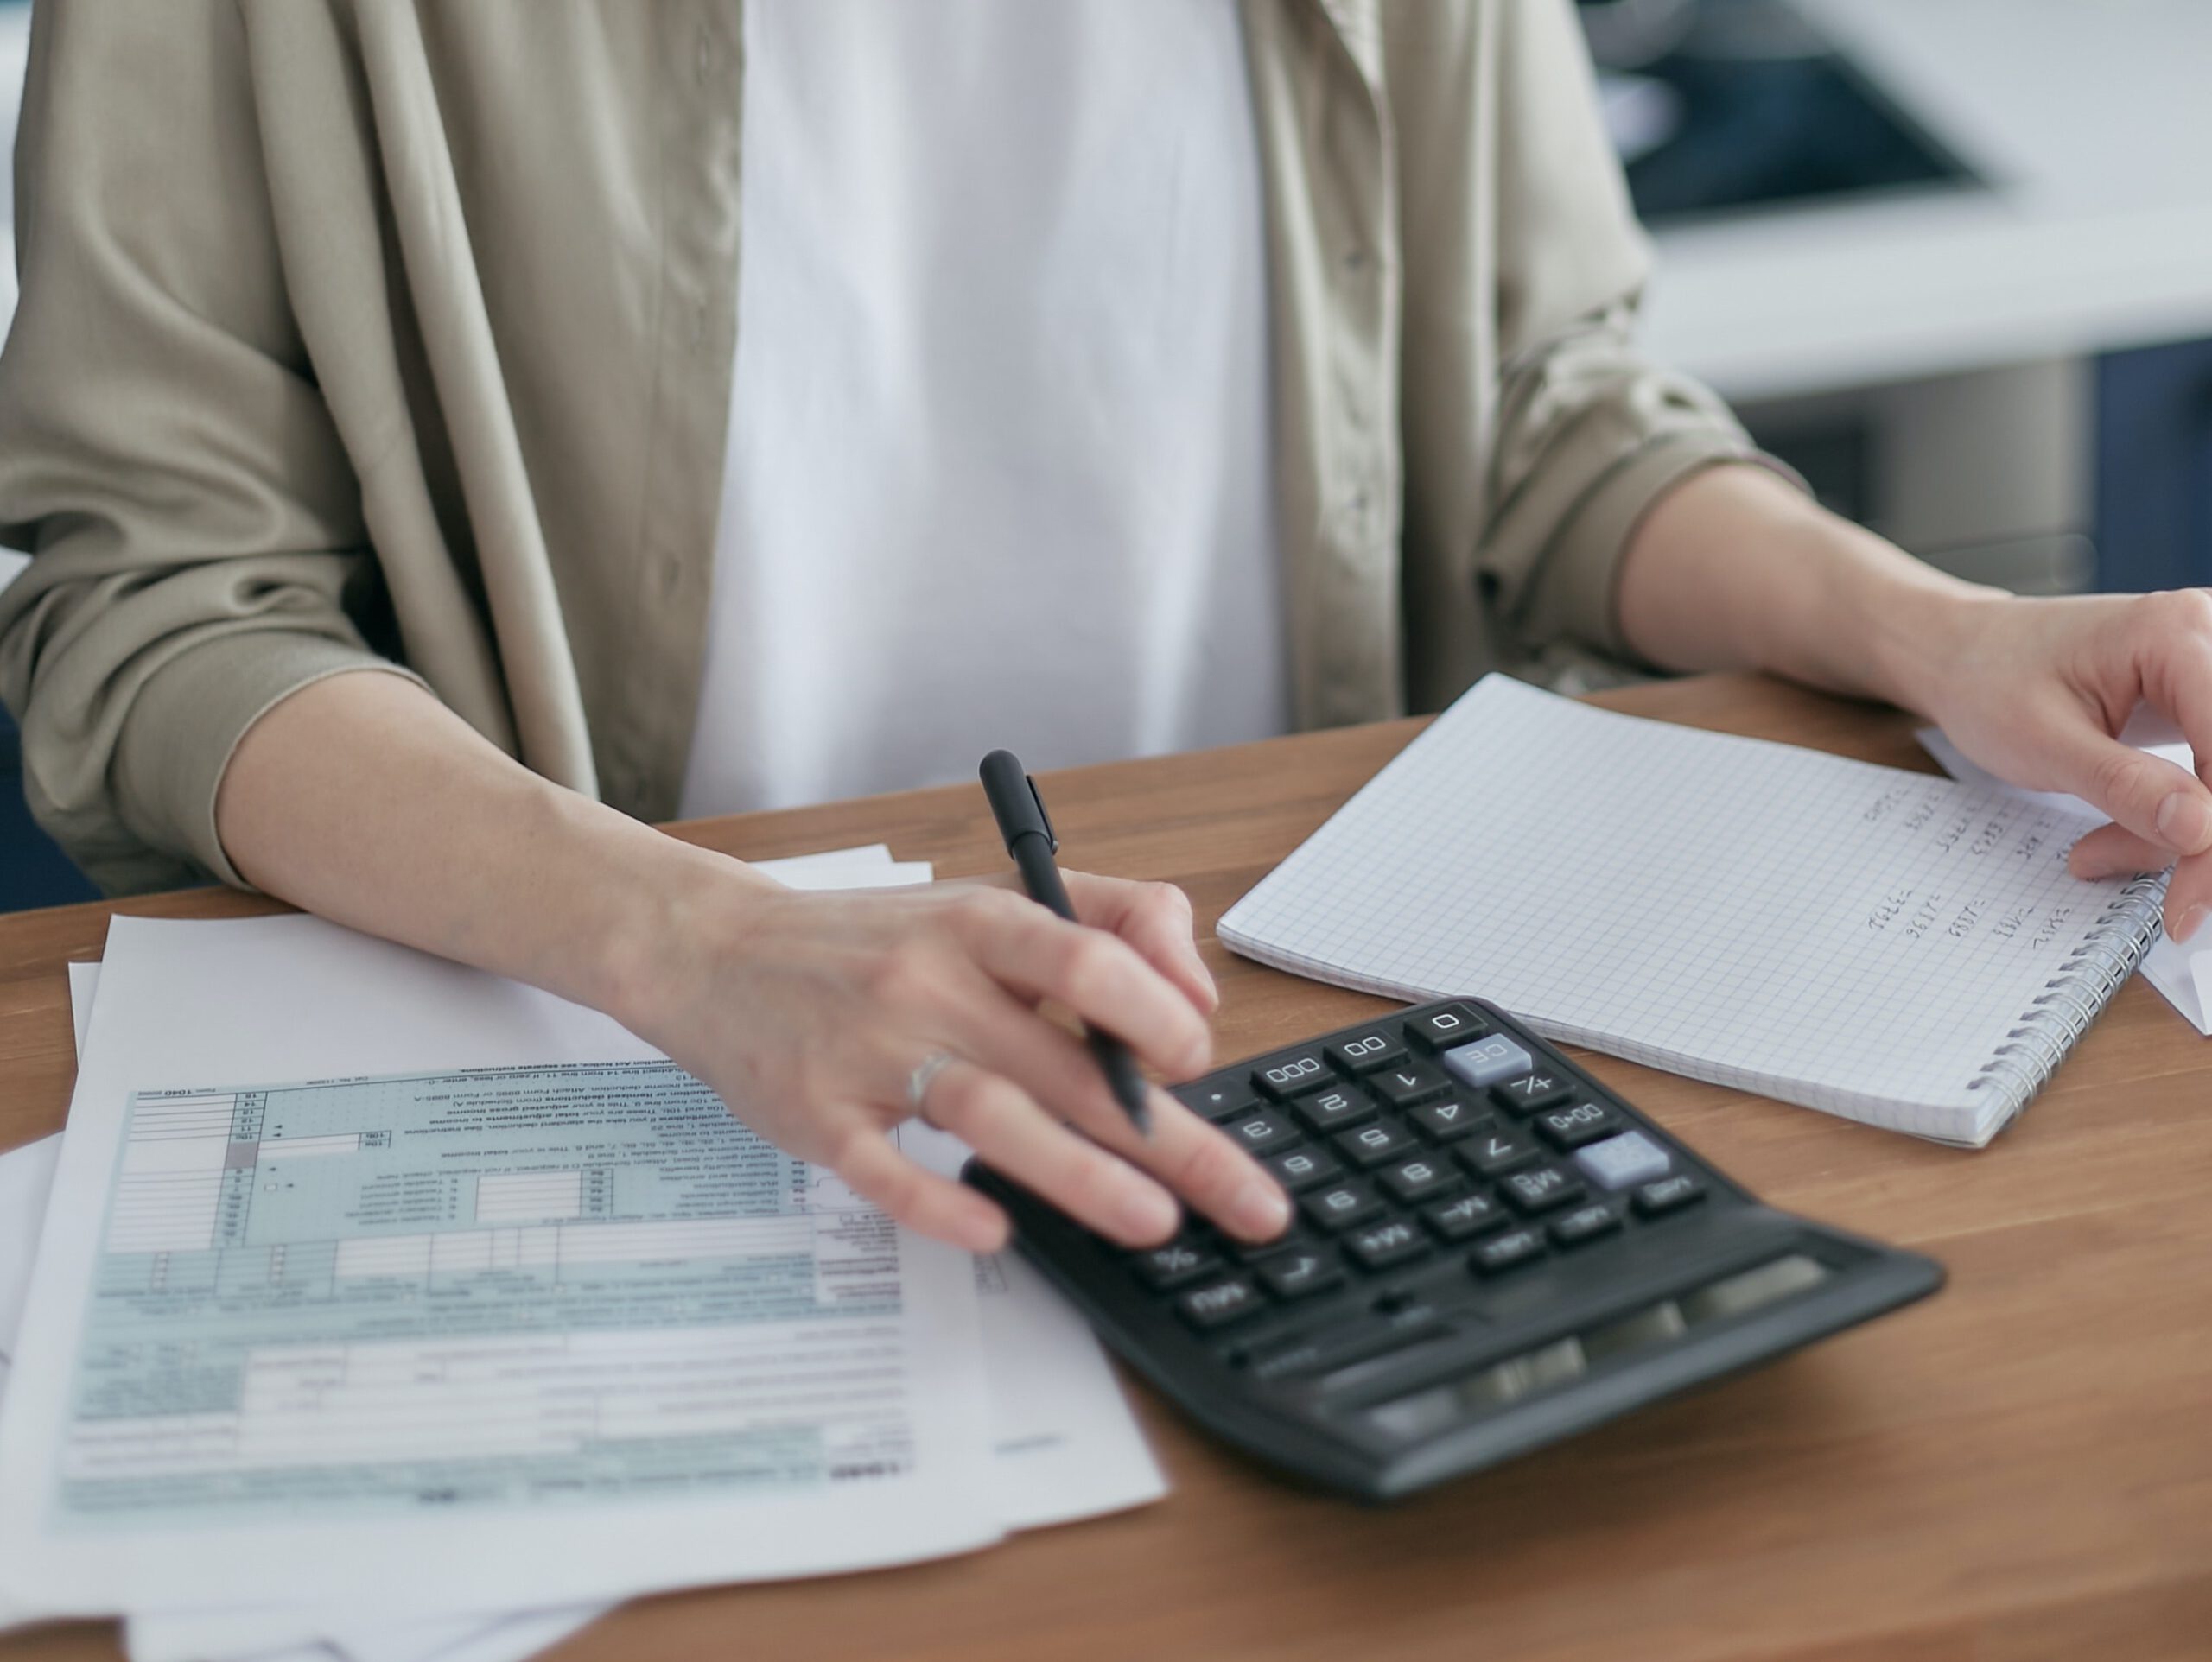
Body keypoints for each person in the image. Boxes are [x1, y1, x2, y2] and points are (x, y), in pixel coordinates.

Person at [3, 1, 2209, 1259]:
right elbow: (162, 607)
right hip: (649, 1071)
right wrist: (699, 943)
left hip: (1267, 1046)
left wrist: (1943, 630)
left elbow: (1547, 413)